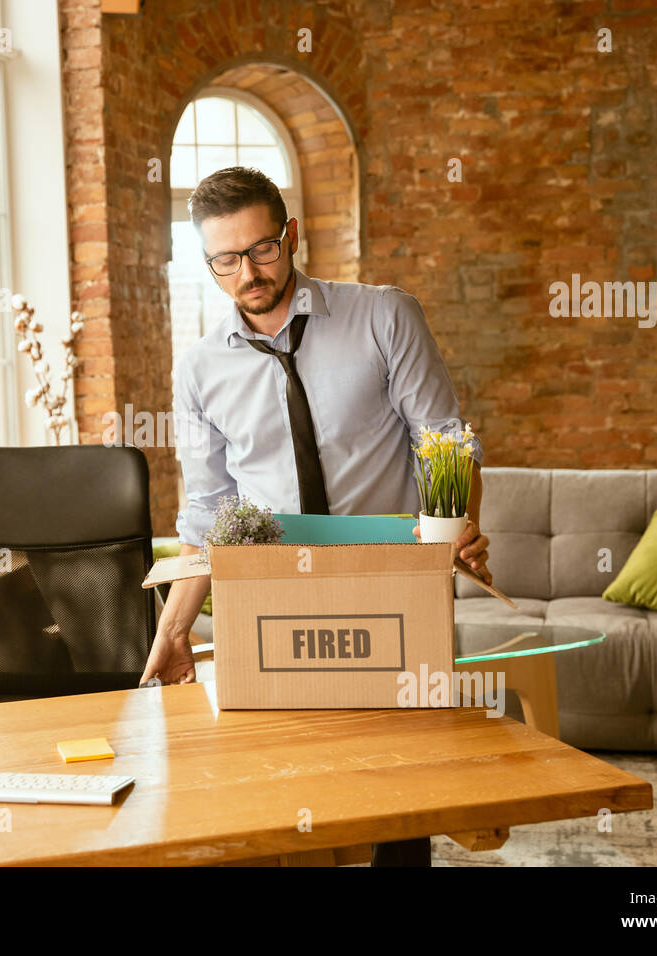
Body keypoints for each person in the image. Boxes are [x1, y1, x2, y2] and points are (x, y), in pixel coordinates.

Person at [139, 166, 492, 867]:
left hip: (394, 584)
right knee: (284, 782)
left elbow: (443, 440)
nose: (249, 272)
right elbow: (208, 513)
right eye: (226, 259)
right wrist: (174, 629)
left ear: (291, 235)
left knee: (401, 784)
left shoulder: (386, 315)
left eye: (263, 249)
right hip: (272, 596)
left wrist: (457, 528)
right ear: (206, 264)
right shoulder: (199, 370)